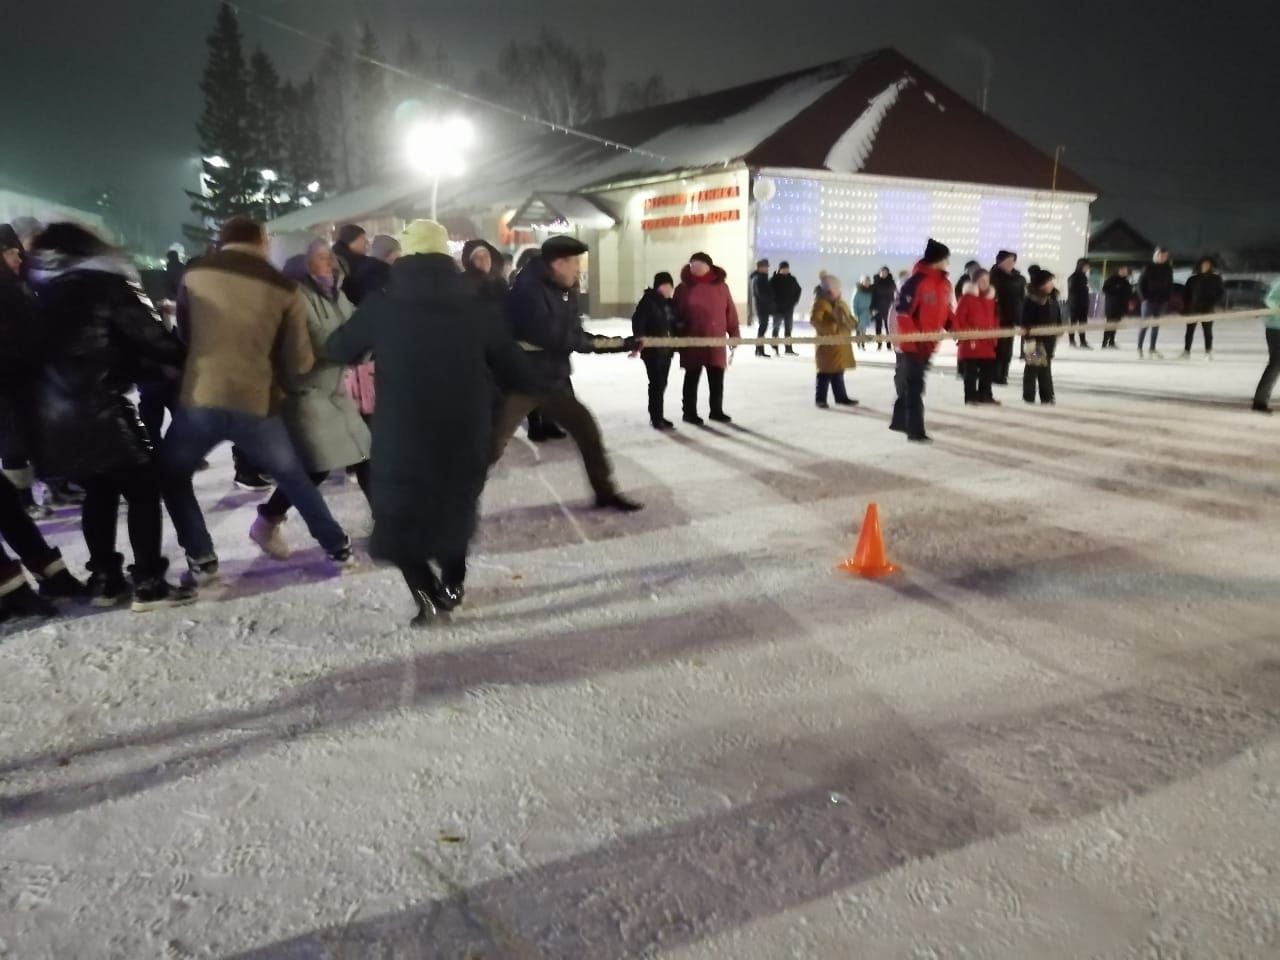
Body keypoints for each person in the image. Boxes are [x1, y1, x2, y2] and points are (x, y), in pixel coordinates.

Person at [325, 220, 542, 626]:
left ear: (403, 257)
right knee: (453, 506)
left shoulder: (382, 306)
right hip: (465, 426)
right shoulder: (479, 308)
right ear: (447, 257)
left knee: (400, 514)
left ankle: (425, 594)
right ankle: (453, 583)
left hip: (402, 429)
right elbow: (517, 370)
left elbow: (337, 348)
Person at [162, 216, 353, 586]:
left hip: (201, 397)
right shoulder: (283, 287)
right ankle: (335, 543)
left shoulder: (195, 275)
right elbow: (299, 361)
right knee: (292, 474)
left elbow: (184, 334)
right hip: (256, 402)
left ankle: (201, 554)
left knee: (172, 473)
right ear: (262, 242)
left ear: (222, 240)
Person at [26, 223, 195, 611]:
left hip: (52, 419)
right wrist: (183, 356)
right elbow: (153, 339)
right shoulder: (106, 286)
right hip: (99, 409)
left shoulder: (44, 295)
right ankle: (150, 581)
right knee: (142, 487)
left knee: (99, 490)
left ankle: (105, 578)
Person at [495, 232, 643, 511]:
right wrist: (615, 344)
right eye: (574, 263)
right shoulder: (527, 290)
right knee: (489, 448)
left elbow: (574, 333)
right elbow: (555, 337)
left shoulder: (565, 290)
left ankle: (605, 491)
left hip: (551, 380)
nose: (579, 269)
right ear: (558, 263)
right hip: (520, 382)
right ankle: (452, 500)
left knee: (586, 429)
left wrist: (622, 343)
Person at [249, 236, 372, 560]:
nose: (329, 262)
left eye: (330, 255)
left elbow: (358, 325)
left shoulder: (333, 292)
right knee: (314, 467)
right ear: (300, 262)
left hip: (332, 390)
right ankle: (266, 522)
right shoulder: (294, 297)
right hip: (303, 392)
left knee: (365, 454)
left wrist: (366, 343)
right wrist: (358, 345)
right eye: (320, 257)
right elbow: (324, 342)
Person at [0, 224, 49, 519]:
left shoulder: (16, 283)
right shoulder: (6, 286)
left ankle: (42, 488)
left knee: (26, 433)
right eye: (14, 254)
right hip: (9, 375)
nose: (20, 260)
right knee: (13, 437)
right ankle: (21, 499)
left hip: (22, 372)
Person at [890, 239, 953, 442]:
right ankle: (915, 431)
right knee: (915, 386)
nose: (948, 263)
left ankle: (899, 421)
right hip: (913, 345)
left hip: (929, 344)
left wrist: (960, 330)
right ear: (937, 260)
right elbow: (903, 313)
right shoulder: (916, 282)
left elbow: (946, 313)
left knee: (912, 385)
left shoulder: (944, 284)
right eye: (945, 259)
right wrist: (915, 341)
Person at [675, 252, 740, 425]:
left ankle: (716, 410)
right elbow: (675, 315)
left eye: (699, 264)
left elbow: (730, 312)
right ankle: (689, 412)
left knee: (716, 378)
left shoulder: (721, 287)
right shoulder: (683, 289)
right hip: (692, 340)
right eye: (692, 264)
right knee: (692, 377)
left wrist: (734, 334)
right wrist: (678, 334)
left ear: (708, 266)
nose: (695, 267)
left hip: (716, 340)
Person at [342, 235, 400, 425]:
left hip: (361, 347)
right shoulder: (383, 276)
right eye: (396, 256)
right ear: (388, 255)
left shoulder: (360, 269)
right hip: (375, 349)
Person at [631, 271, 680, 430]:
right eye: (665, 286)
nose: (668, 289)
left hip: (666, 350)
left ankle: (658, 415)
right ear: (659, 286)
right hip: (652, 352)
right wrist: (639, 342)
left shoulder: (669, 304)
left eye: (670, 287)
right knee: (656, 383)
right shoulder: (648, 301)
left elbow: (673, 324)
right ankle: (656, 417)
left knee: (662, 383)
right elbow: (639, 322)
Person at [809, 273, 859, 408]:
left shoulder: (841, 303)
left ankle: (841, 396)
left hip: (841, 344)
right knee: (824, 372)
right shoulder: (820, 304)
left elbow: (848, 317)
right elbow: (815, 321)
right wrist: (832, 327)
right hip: (827, 344)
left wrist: (852, 323)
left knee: (838, 371)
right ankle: (820, 399)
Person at [954, 268, 1000, 405]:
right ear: (975, 282)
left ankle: (985, 394)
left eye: (987, 280)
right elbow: (959, 319)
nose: (985, 283)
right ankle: (971, 396)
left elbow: (995, 318)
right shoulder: (967, 298)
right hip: (971, 341)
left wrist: (994, 333)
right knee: (971, 372)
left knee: (987, 370)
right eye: (982, 280)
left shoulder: (992, 299)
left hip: (987, 341)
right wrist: (968, 333)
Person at [1022, 266, 1060, 405]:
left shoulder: (1052, 299)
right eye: (1048, 281)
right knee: (1033, 369)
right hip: (1036, 342)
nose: (1051, 284)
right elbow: (1025, 321)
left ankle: (1047, 396)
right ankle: (1029, 396)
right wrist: (1031, 338)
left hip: (1049, 340)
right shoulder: (1031, 300)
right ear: (1041, 284)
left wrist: (1058, 330)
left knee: (1046, 368)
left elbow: (1057, 318)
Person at [990, 250, 1026, 384]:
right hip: (998, 317)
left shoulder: (1019, 279)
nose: (1011, 264)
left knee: (1007, 348)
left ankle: (1004, 373)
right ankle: (995, 374)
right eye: (1008, 261)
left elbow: (1021, 299)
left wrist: (1021, 316)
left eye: (1013, 261)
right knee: (998, 347)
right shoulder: (993, 277)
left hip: (1013, 317)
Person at [1181, 256, 1225, 358]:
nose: (1206, 266)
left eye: (1208, 264)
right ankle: (1186, 352)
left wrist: (1214, 303)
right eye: (1204, 264)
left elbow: (1221, 293)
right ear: (1199, 266)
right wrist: (1186, 307)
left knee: (1207, 331)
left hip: (1208, 308)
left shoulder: (1216, 278)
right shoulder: (1192, 279)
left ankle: (1208, 352)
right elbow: (1186, 294)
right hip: (1193, 309)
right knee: (1189, 331)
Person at [1251, 277, 1280, 414]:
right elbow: (1269, 298)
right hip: (1276, 328)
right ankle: (1260, 401)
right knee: (1276, 363)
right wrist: (1277, 306)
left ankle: (1260, 399)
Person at [1138, 246, 1174, 359]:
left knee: (1156, 325)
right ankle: (1139, 348)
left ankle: (1152, 348)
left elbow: (1170, 284)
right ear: (1156, 255)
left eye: (1165, 256)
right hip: (1148, 301)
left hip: (1161, 301)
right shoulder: (1148, 267)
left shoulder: (1168, 268)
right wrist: (1144, 298)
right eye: (1161, 255)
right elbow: (1140, 284)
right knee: (1145, 325)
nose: (1163, 257)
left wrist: (1167, 297)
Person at [769, 261, 801, 356]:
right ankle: (775, 348)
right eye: (784, 269)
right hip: (777, 309)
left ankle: (788, 348)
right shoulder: (774, 280)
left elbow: (798, 290)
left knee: (788, 329)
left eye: (787, 269)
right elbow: (769, 293)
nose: (786, 270)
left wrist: (794, 301)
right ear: (780, 269)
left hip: (788, 309)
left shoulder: (792, 279)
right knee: (776, 328)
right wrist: (773, 304)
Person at [750, 258, 776, 358]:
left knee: (763, 327)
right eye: (765, 267)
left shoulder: (762, 277)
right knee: (762, 327)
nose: (767, 269)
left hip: (763, 306)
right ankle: (759, 349)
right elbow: (761, 293)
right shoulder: (758, 278)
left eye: (767, 267)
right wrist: (769, 300)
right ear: (760, 268)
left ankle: (759, 349)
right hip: (762, 307)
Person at [1101, 266, 1132, 349]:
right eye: (1122, 270)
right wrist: (1116, 288)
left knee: (1115, 324)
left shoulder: (1125, 281)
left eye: (1125, 271)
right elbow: (1105, 289)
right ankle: (1104, 343)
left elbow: (1128, 293)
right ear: (1118, 270)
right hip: (1112, 306)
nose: (1124, 272)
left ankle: (1111, 342)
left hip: (1120, 306)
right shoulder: (1111, 279)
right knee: (1109, 324)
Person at [1067, 258, 1093, 348]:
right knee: (1073, 323)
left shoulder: (1084, 277)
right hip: (1075, 304)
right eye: (1086, 266)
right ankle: (1071, 341)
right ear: (1081, 266)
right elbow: (1073, 290)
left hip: (1083, 304)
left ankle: (1083, 341)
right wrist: (1084, 289)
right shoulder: (1073, 277)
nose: (1088, 268)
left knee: (1082, 323)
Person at [870, 266, 897, 351]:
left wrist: (894, 305)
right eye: (882, 272)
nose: (883, 273)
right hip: (878, 307)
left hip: (888, 308)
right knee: (878, 327)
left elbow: (894, 295)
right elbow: (873, 296)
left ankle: (889, 344)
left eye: (885, 272)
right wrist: (873, 307)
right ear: (879, 272)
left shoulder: (891, 283)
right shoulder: (875, 283)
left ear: (887, 273)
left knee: (888, 327)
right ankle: (879, 344)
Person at [852, 275, 874, 347]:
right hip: (859, 313)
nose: (867, 283)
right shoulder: (858, 291)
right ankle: (858, 343)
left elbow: (872, 302)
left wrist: (871, 311)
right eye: (865, 281)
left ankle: (863, 343)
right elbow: (854, 303)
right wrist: (855, 314)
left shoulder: (870, 291)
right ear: (862, 282)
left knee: (864, 329)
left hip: (866, 313)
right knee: (859, 328)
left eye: (868, 281)